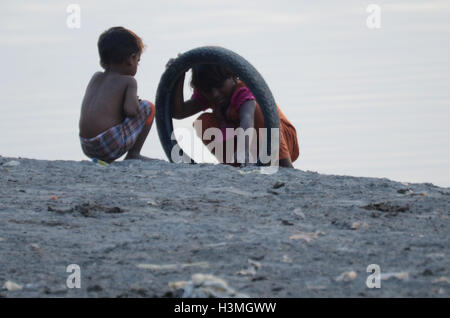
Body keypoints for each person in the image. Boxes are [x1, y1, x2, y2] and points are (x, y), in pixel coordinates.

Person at [168, 62, 299, 168]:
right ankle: (236, 166)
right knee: (203, 122)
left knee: (257, 112)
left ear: (232, 76)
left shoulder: (243, 89)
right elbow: (179, 112)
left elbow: (247, 119)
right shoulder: (210, 94)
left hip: (277, 135)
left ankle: (283, 164)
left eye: (219, 86)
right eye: (208, 90)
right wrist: (179, 76)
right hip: (246, 145)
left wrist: (243, 148)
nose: (215, 94)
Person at [79, 26, 155, 163]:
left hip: (87, 145)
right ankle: (134, 154)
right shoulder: (129, 81)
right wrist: (135, 103)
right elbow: (131, 111)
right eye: (138, 61)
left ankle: (104, 160)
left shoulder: (96, 77)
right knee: (148, 107)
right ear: (131, 59)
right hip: (108, 145)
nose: (137, 65)